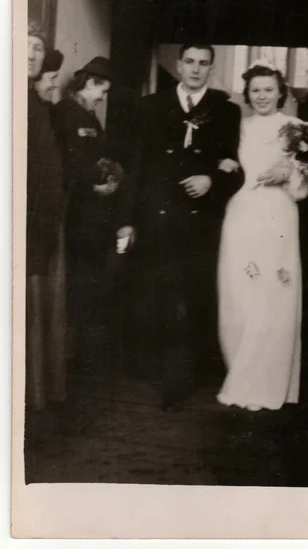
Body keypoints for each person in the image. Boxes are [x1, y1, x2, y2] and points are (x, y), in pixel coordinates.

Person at [116, 44, 242, 411]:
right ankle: (157, 369)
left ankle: (180, 379)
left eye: (204, 64)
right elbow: (136, 166)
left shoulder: (225, 111)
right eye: (190, 62)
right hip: (156, 218)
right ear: (179, 65)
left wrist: (211, 182)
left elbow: (234, 165)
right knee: (155, 296)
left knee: (191, 299)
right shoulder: (151, 106)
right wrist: (126, 219)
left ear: (211, 68)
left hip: (199, 223)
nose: (196, 69)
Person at [216, 61, 308, 412]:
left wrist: (288, 172)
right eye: (255, 90)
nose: (262, 96)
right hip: (241, 215)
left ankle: (268, 380)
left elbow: (305, 187)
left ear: (280, 92)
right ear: (247, 94)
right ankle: (240, 372)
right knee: (240, 293)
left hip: (279, 216)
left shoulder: (296, 127)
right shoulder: (237, 127)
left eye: (268, 89)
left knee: (275, 294)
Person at [51, 57, 122, 372]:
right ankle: (65, 355)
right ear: (90, 83)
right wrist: (98, 181)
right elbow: (71, 165)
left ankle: (74, 353)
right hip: (75, 214)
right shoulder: (65, 112)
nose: (102, 98)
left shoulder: (91, 118)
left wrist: (111, 178)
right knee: (73, 283)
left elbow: (101, 159)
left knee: (87, 283)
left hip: (92, 216)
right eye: (102, 91)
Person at [26, 21, 67, 435]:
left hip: (37, 224)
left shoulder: (34, 103)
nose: (34, 54)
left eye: (39, 47)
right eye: (26, 45)